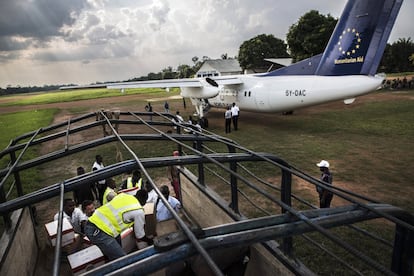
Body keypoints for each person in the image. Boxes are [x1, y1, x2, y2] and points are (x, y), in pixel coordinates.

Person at [84, 190, 153, 261]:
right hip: (98, 231)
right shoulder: (139, 211)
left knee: (116, 248)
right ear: (144, 201)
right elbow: (140, 236)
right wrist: (151, 241)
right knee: (122, 260)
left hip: (95, 224)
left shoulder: (124, 196)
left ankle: (110, 261)